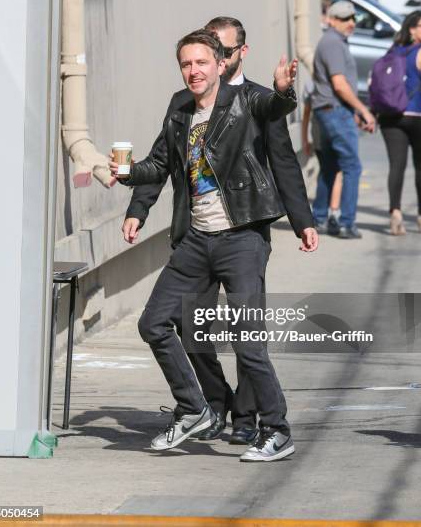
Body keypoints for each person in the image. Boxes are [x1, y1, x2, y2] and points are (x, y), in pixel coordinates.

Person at [110, 29, 318, 461]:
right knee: (154, 324)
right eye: (186, 64)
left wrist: (284, 90)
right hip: (195, 241)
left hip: (241, 238)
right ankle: (194, 408)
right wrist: (128, 174)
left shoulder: (247, 101)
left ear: (221, 64)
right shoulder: (180, 109)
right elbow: (160, 163)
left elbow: (274, 108)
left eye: (201, 62)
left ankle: (276, 430)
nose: (193, 71)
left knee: (247, 341)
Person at [311, 0, 376, 239]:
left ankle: (318, 218)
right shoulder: (332, 43)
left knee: (330, 167)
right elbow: (339, 84)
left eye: (353, 19)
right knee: (351, 166)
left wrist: (354, 111)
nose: (351, 23)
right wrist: (363, 110)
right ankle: (347, 223)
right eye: (345, 19)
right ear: (332, 20)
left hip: (332, 111)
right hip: (334, 111)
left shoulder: (335, 42)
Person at [377, 10, 421, 235]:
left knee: (396, 166)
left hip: (391, 117)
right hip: (420, 116)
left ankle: (396, 216)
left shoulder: (393, 51)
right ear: (413, 29)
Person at [301, 78, 342, 235]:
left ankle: (323, 215)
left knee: (327, 171)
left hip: (318, 134)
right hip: (335, 132)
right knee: (334, 173)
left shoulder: (311, 84)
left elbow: (306, 115)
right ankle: (330, 214)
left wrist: (305, 139)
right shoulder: (338, 80)